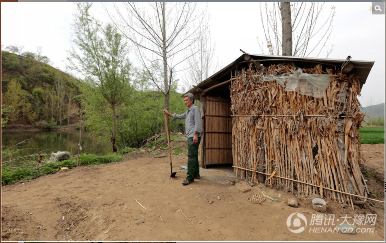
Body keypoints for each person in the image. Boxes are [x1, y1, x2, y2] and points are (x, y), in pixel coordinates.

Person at [163, 93, 201, 186]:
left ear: (191, 100)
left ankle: (189, 178)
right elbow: (179, 116)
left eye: (186, 100)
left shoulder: (195, 109)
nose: (185, 102)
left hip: (194, 136)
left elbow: (198, 122)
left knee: (191, 156)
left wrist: (196, 134)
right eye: (184, 100)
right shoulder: (188, 111)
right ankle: (196, 174)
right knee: (194, 155)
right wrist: (168, 114)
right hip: (191, 136)